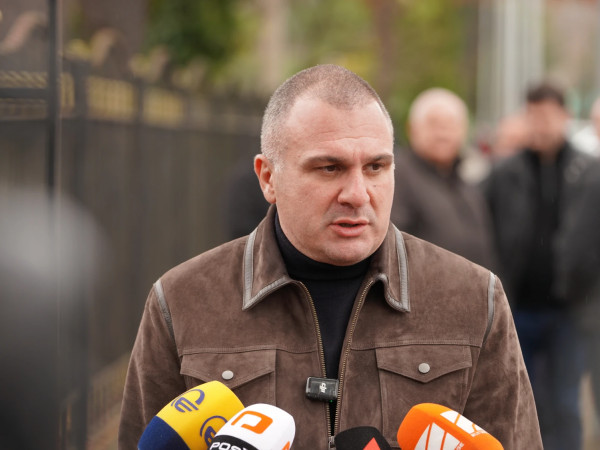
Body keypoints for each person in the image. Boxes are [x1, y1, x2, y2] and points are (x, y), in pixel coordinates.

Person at [119, 64, 542, 449]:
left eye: (376, 167)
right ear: (268, 177)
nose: (358, 194)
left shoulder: (473, 298)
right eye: (329, 168)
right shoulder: (181, 301)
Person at [483, 82, 600, 450]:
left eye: (548, 116)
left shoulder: (590, 172)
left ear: (565, 116)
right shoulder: (504, 173)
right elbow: (486, 230)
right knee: (521, 399)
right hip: (517, 307)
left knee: (566, 401)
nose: (541, 124)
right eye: (534, 116)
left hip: (570, 309)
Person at [391, 88, 497, 270]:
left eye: (451, 125)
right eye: (434, 124)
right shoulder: (398, 176)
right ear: (412, 129)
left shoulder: (465, 183)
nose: (443, 133)